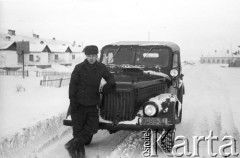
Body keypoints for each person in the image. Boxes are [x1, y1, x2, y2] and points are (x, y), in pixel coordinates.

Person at [65, 45, 116, 158]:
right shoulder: (79, 68)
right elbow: (72, 86)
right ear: (86, 56)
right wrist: (73, 102)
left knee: (93, 128)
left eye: (93, 56)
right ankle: (78, 155)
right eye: (89, 56)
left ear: (97, 56)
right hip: (78, 104)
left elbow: (110, 78)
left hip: (92, 104)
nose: (91, 58)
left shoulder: (101, 67)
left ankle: (72, 145)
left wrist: (109, 85)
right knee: (78, 132)